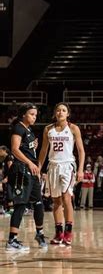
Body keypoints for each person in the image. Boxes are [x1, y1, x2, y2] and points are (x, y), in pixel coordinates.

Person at [38, 102, 85, 246]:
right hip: (53, 166)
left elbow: (81, 150)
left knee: (66, 198)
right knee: (56, 201)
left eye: (63, 110)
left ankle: (68, 232)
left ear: (68, 113)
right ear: (55, 113)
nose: (60, 112)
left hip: (67, 166)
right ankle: (59, 233)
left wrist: (81, 169)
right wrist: (39, 168)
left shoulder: (73, 128)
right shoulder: (48, 129)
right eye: (58, 110)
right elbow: (44, 151)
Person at [5, 103, 47, 251]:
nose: (34, 117)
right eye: (31, 114)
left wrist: (33, 147)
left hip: (32, 170)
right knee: (21, 204)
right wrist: (30, 162)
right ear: (24, 114)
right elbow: (15, 149)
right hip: (21, 169)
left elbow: (24, 148)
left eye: (35, 115)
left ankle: (40, 234)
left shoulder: (29, 130)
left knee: (38, 203)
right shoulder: (18, 127)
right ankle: (12, 240)